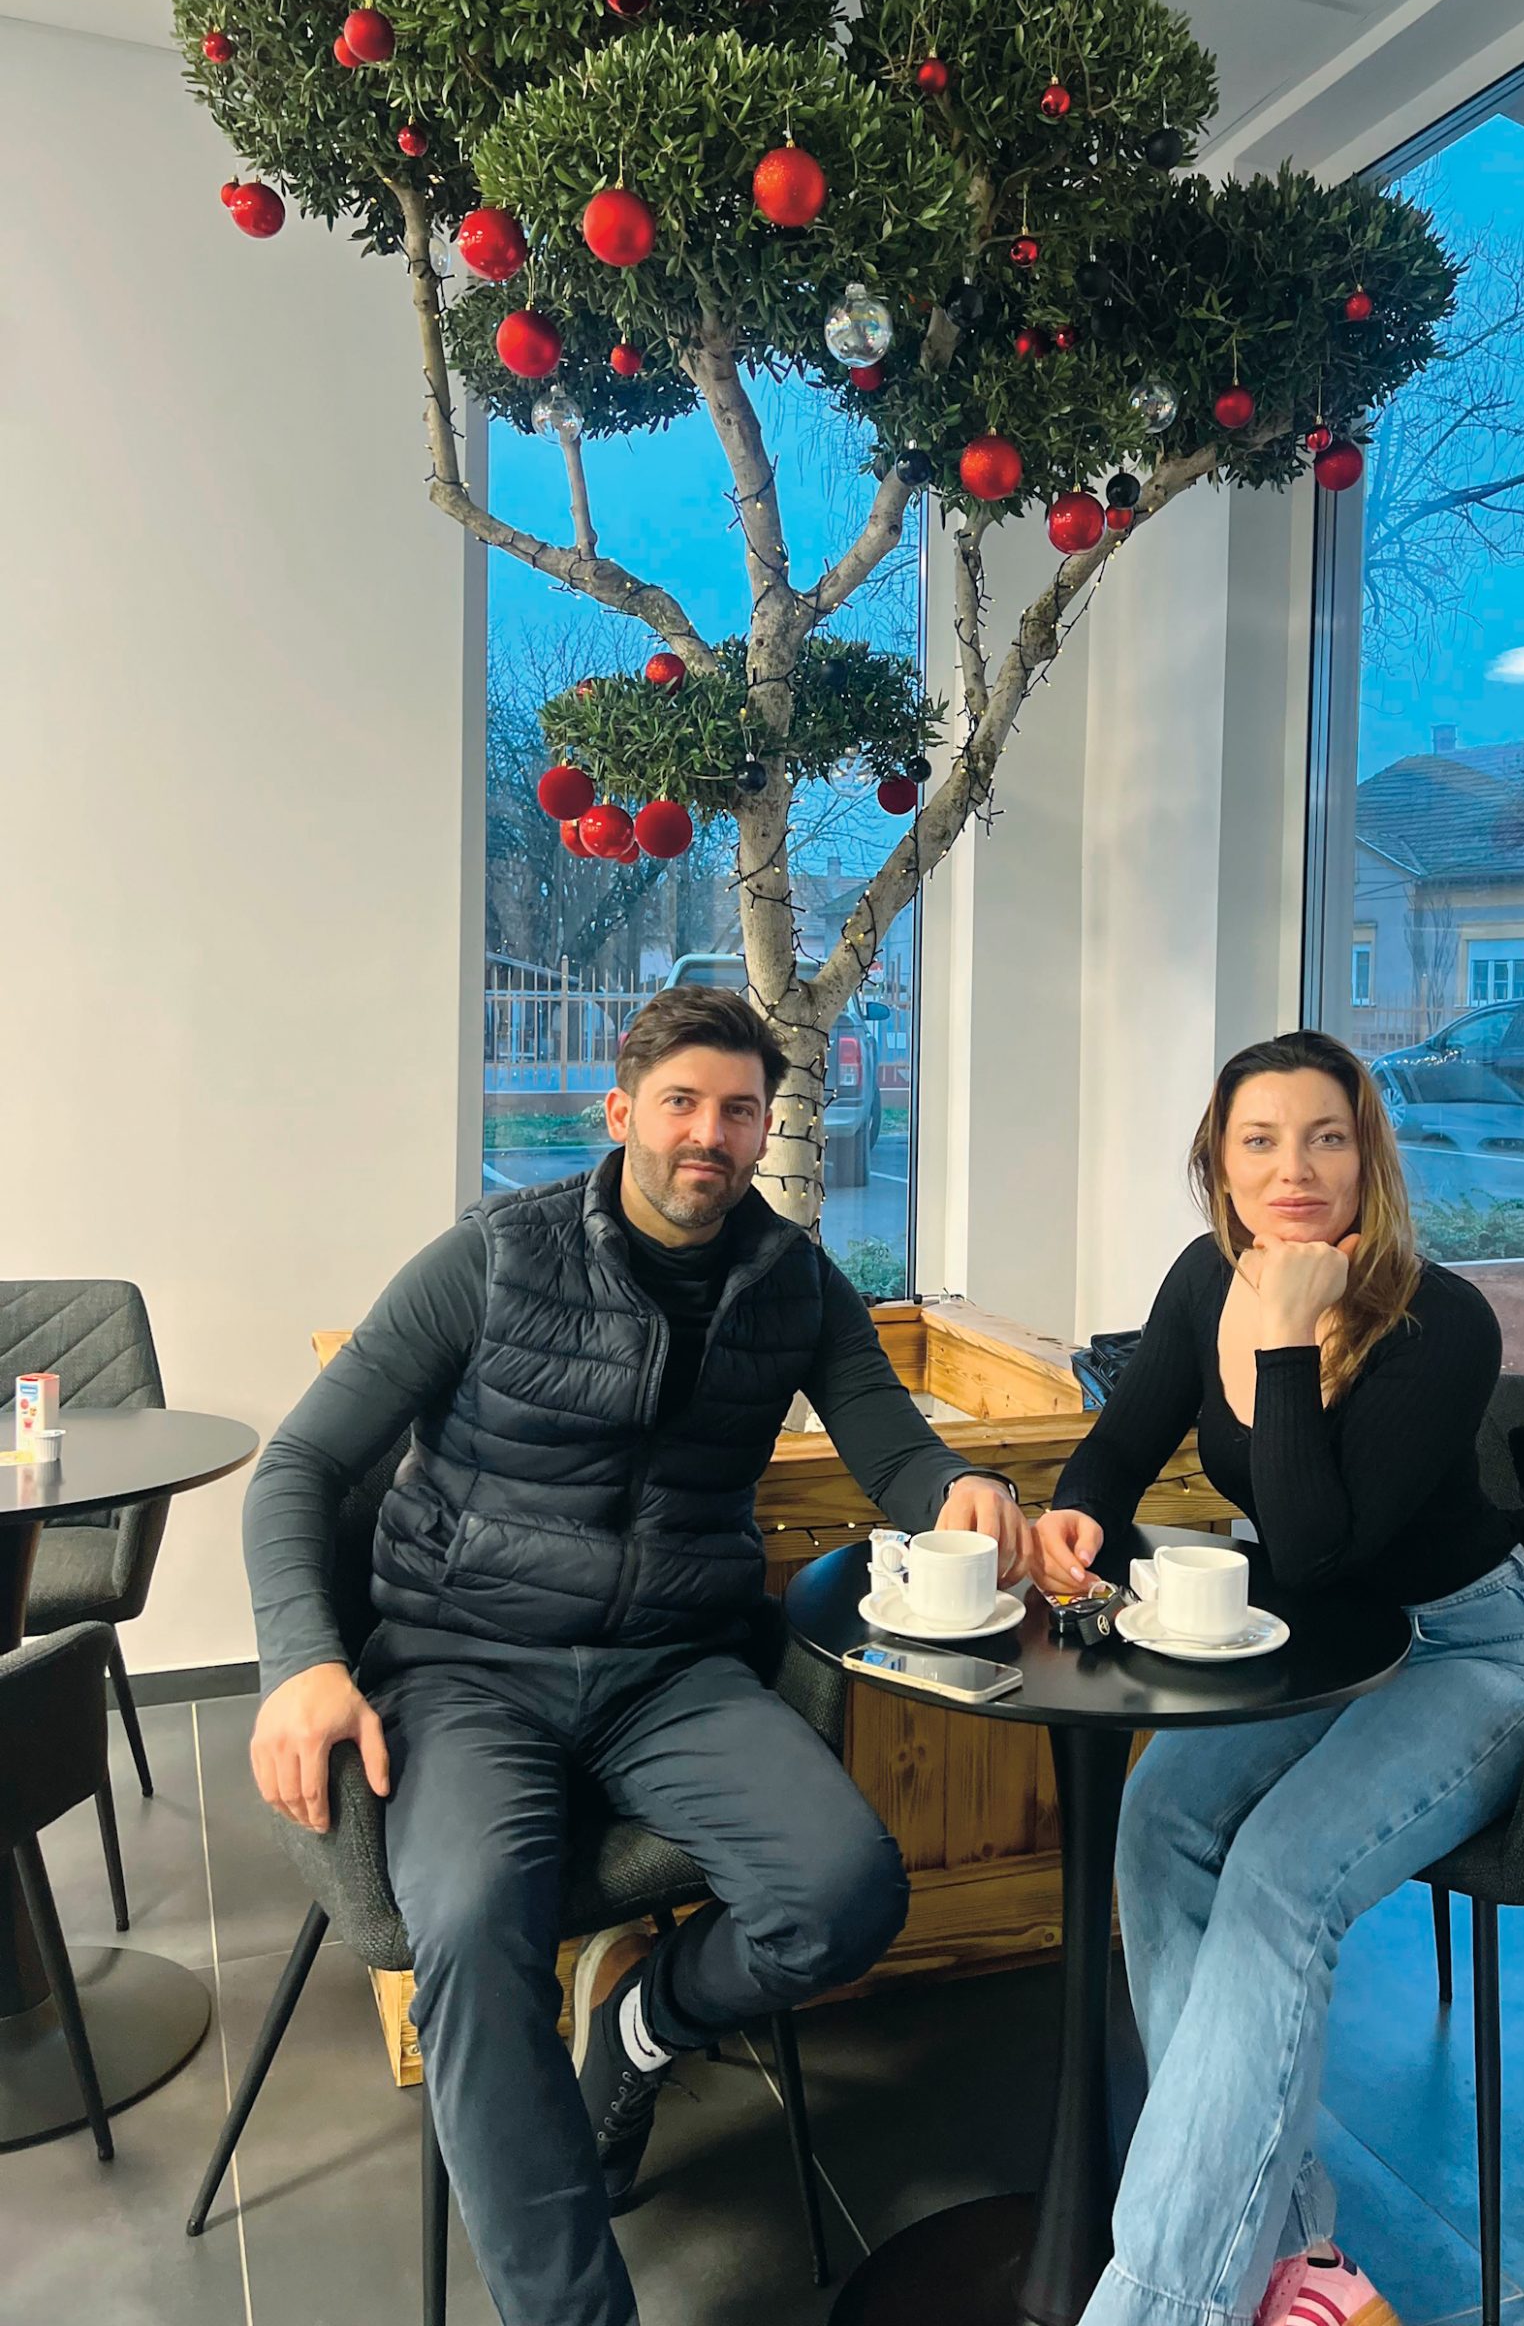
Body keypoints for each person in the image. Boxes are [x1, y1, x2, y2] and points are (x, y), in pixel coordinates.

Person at [243, 987, 1030, 2326]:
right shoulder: (495, 1254)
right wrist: (302, 1661)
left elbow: (896, 1449)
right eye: (682, 1104)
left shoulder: (796, 1283)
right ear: (621, 1113)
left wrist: (970, 1492)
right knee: (475, 1928)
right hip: (464, 1665)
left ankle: (641, 2020)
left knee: (846, 1897)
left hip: (673, 1672)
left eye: (739, 1111)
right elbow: (301, 1466)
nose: (709, 1134)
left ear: (766, 1130)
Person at [1032, 1032, 1524, 2326]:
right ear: (1218, 1164)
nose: (1295, 1169)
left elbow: (1318, 1543)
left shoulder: (1441, 1320)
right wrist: (1078, 1514)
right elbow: (1118, 1446)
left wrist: (1283, 1335)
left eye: (1327, 1137)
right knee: (1158, 1826)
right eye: (1260, 1140)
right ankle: (1293, 2256)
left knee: (1280, 1881)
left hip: (1471, 1649)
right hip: (1322, 1648)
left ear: (1367, 1155)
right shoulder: (1201, 1279)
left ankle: (1159, 2306)